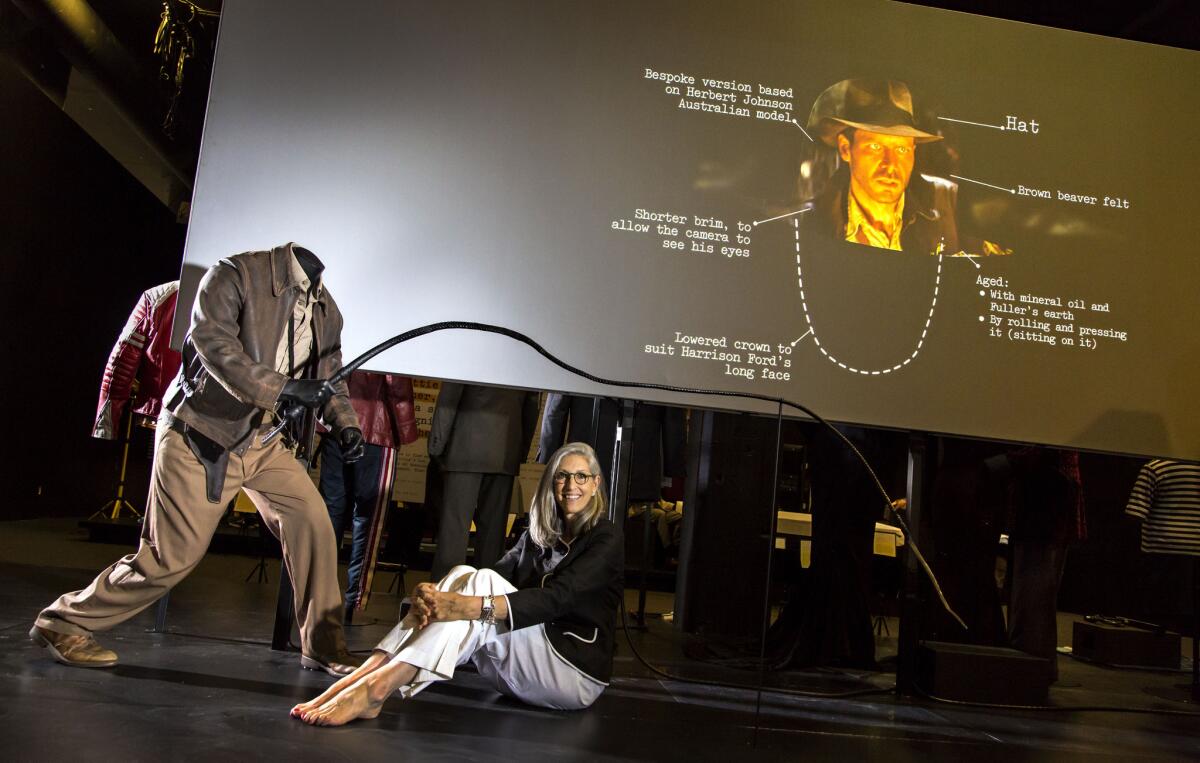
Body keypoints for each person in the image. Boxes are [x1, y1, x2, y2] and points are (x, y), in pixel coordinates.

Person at [31, 242, 365, 676]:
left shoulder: (326, 310)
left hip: (261, 439)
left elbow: (331, 381)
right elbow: (213, 345)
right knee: (172, 555)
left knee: (313, 523)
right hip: (200, 431)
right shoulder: (236, 274)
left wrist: (346, 424)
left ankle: (323, 642)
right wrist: (283, 389)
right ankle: (64, 622)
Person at [290, 442, 623, 726]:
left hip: (572, 674)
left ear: (595, 484)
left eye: (580, 476)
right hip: (522, 671)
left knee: (477, 587)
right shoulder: (539, 534)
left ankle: (375, 688)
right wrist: (435, 595)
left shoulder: (605, 537)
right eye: (562, 476)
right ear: (551, 483)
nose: (570, 485)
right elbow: (488, 578)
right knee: (467, 573)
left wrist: (462, 605)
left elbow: (558, 599)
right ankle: (372, 670)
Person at [802, 78, 1010, 257]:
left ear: (913, 151)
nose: (891, 165)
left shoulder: (949, 199)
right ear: (846, 149)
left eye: (901, 150)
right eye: (875, 147)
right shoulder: (811, 221)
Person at [318, 371, 418, 623]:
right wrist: (405, 428)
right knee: (369, 520)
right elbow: (397, 382)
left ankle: (318, 594)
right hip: (378, 427)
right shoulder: (390, 332)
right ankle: (355, 599)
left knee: (331, 513)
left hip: (336, 423)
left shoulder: (347, 330)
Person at [426, 382, 539, 579]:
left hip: (464, 447)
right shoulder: (524, 357)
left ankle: (444, 594)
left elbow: (450, 396)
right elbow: (531, 406)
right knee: (493, 537)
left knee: (454, 531)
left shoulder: (471, 351)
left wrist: (437, 444)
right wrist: (521, 450)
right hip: (505, 449)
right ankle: (484, 596)